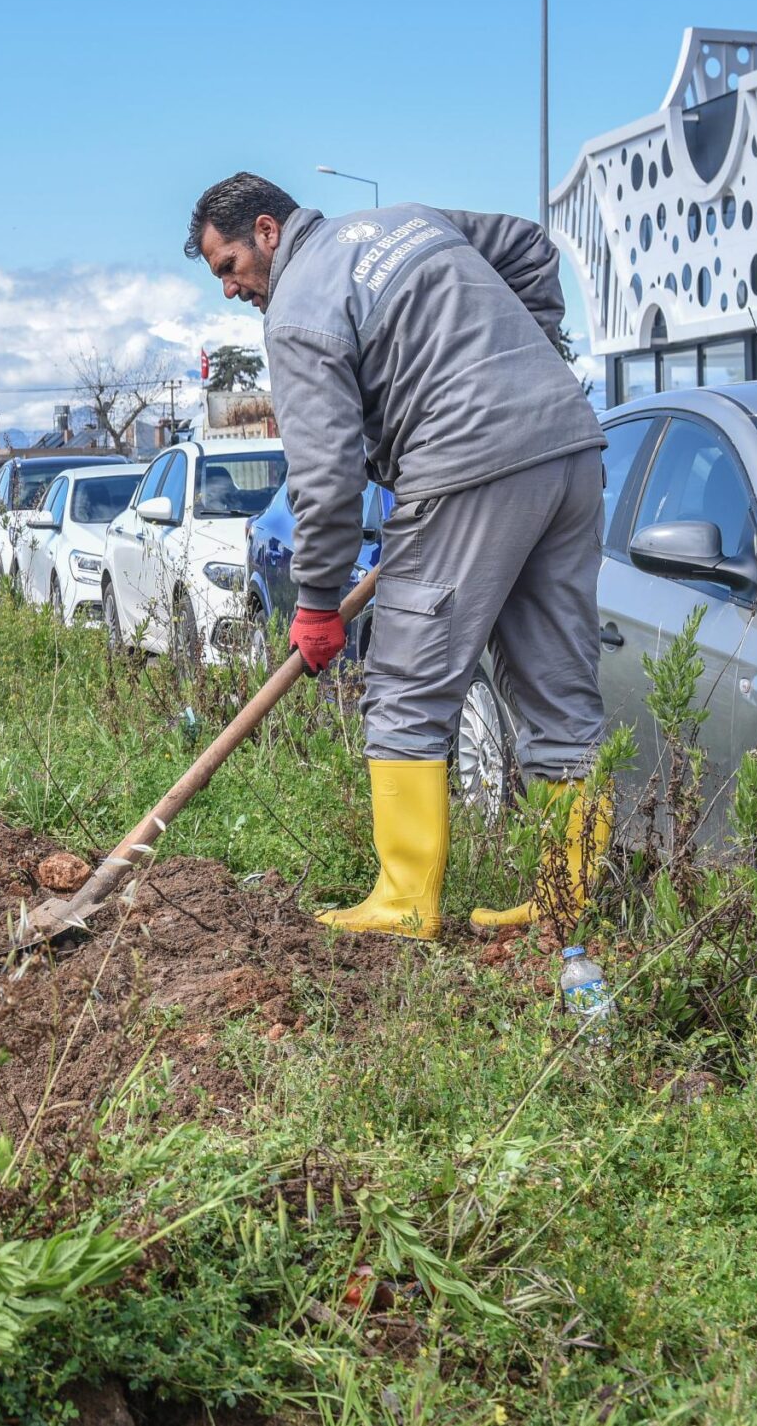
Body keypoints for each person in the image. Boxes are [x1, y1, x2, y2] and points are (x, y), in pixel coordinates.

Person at [185, 172, 607, 939]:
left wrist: (315, 602)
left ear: (268, 231)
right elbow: (531, 248)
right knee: (557, 685)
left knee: (407, 682)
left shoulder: (300, 312)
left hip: (465, 463)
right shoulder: (405, 221)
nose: (230, 289)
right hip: (568, 445)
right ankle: (568, 901)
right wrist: (526, 356)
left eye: (228, 267)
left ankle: (405, 900)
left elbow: (326, 476)